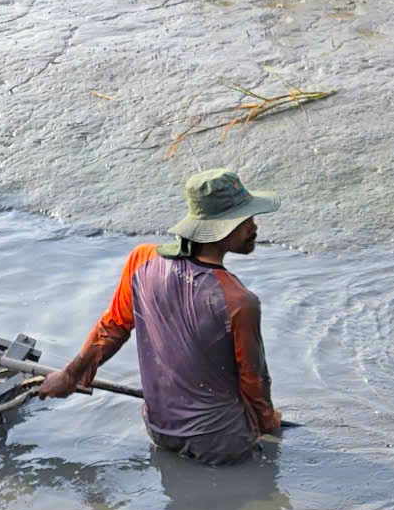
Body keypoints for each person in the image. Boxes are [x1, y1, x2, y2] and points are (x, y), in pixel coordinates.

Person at [38, 168, 282, 463]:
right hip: (220, 442)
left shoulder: (141, 260)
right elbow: (254, 381)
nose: (254, 227)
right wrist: (268, 422)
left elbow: (112, 328)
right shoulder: (239, 301)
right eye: (245, 220)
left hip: (160, 430)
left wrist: (69, 375)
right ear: (221, 229)